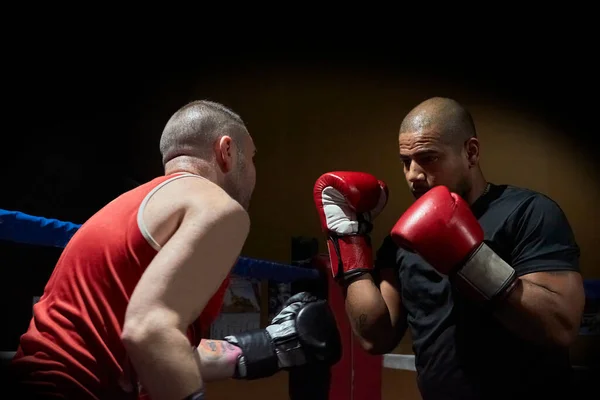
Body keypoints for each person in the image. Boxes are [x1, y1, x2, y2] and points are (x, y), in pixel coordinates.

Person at [10, 100, 341, 400]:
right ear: (227, 151)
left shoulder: (126, 206)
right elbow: (148, 330)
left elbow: (148, 349)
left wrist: (261, 348)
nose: (254, 172)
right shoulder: (218, 207)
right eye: (252, 157)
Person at [313, 97, 586, 400]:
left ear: (471, 152)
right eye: (406, 161)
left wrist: (470, 261)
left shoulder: (528, 213)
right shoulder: (403, 240)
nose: (413, 174)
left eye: (428, 158)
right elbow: (375, 338)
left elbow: (560, 327)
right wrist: (348, 238)